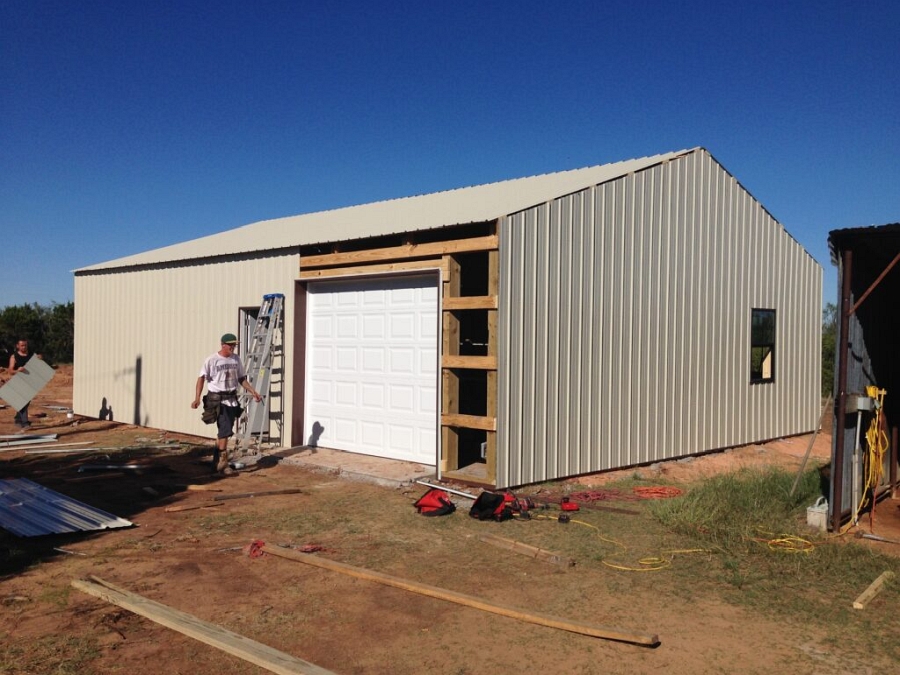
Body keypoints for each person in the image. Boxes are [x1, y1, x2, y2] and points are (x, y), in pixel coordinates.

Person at [191, 333, 262, 473]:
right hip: (217, 400)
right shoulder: (212, 360)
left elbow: (241, 378)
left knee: (224, 431)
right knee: (225, 430)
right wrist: (197, 398)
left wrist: (253, 391)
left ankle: (216, 461)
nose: (233, 347)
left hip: (231, 400)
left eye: (234, 345)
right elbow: (201, 379)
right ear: (223, 345)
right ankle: (223, 464)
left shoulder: (236, 359)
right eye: (230, 345)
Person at [8, 339, 35, 429]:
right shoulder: (14, 357)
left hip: (30, 382)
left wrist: (40, 357)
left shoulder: (31, 355)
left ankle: (18, 418)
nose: (24, 347)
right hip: (18, 381)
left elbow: (39, 362)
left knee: (25, 402)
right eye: (22, 345)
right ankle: (25, 422)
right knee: (24, 401)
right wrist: (17, 371)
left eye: (25, 345)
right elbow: (10, 371)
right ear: (18, 346)